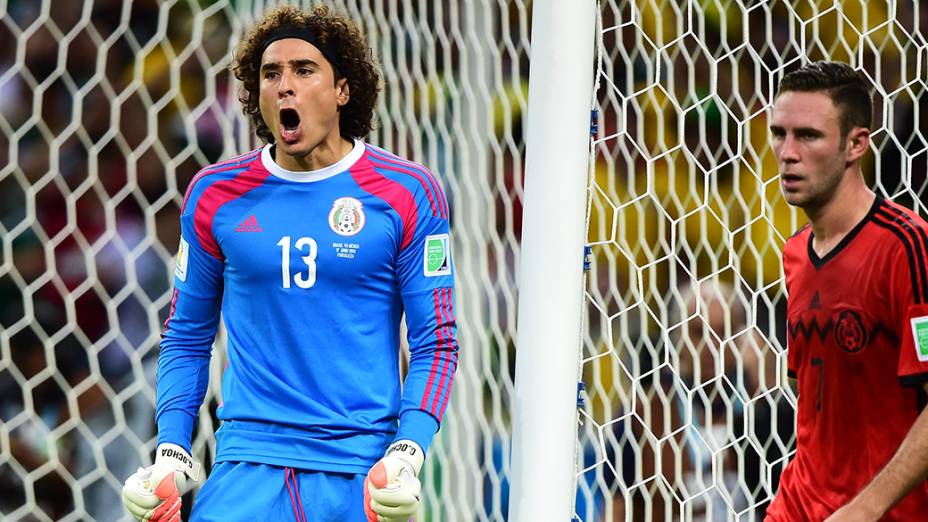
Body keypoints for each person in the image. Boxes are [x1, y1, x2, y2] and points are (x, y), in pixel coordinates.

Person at [120, 5, 459, 521]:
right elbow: (187, 336)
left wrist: (408, 450)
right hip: (246, 467)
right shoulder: (216, 195)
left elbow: (437, 341)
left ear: (343, 89)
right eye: (271, 73)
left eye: (304, 70)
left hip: (362, 473)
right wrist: (172, 448)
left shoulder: (406, 193)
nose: (285, 86)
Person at [764, 61, 928, 521]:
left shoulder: (907, 247)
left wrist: (865, 508)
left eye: (808, 136)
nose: (787, 152)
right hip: (797, 506)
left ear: (856, 144)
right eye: (780, 133)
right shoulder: (795, 254)